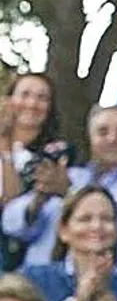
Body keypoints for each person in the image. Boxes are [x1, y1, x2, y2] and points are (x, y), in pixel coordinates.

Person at [2, 106, 117, 283]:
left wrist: (69, 191)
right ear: (90, 139)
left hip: (109, 297)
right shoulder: (72, 174)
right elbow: (10, 223)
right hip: (38, 288)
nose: (112, 139)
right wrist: (38, 201)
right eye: (102, 132)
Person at [0, 71, 63, 207]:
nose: (32, 104)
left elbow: (14, 207)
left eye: (42, 98)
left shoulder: (53, 155)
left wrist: (6, 149)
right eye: (25, 95)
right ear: (8, 100)